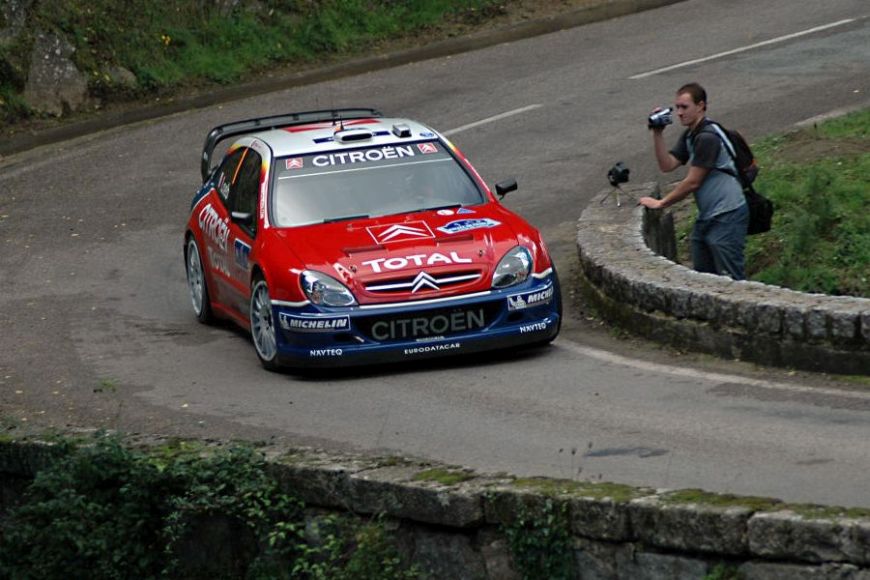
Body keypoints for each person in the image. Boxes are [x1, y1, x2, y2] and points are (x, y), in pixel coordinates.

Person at [638, 83, 749, 280]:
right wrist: (657, 133)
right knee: (703, 278)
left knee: (732, 280)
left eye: (684, 107)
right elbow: (668, 165)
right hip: (709, 216)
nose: (679, 113)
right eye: (677, 107)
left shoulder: (707, 138)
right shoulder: (691, 134)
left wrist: (662, 203)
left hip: (728, 214)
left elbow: (693, 182)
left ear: (701, 106)